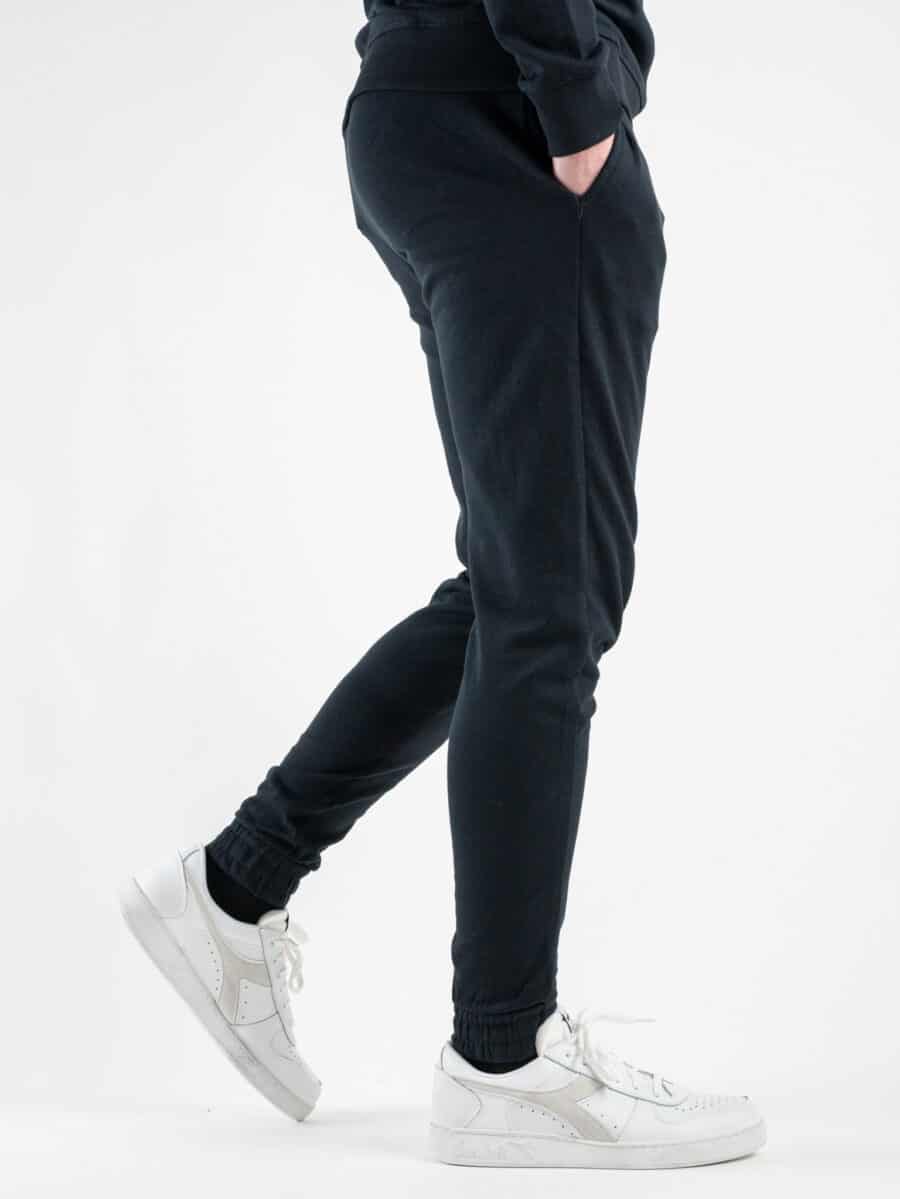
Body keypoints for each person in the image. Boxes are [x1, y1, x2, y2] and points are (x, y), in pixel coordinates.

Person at [120, 1, 766, 1169]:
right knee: (547, 602)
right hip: (509, 115)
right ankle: (503, 1057)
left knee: (525, 586)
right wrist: (574, 95)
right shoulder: (542, 106)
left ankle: (238, 881)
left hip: (431, 107)